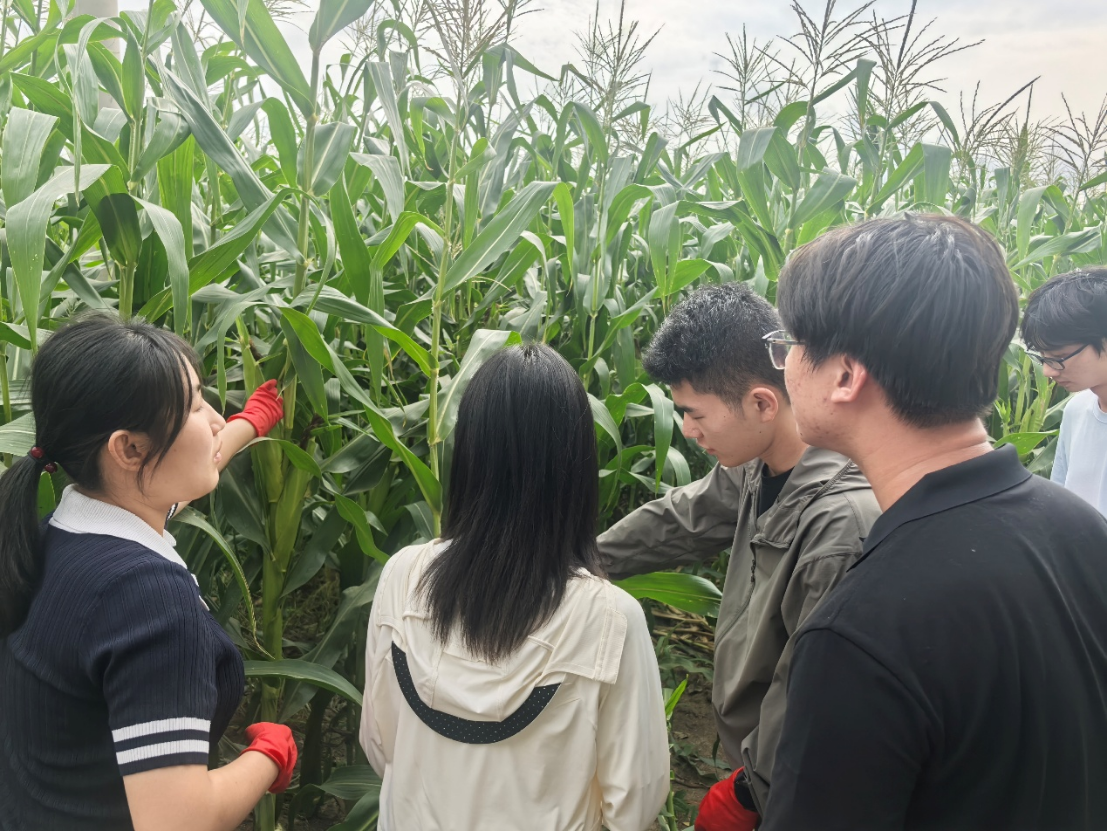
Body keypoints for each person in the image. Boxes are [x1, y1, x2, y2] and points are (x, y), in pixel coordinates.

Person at [762, 216, 1107, 830]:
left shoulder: (859, 636)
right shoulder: (1082, 530)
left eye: (790, 344)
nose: (783, 364)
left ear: (845, 375)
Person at [596, 283, 880, 829]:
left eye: (695, 414)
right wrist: (581, 560)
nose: (687, 430)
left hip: (790, 788)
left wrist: (749, 794)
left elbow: (813, 695)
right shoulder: (758, 463)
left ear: (762, 403)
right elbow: (682, 518)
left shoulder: (839, 526)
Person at [0, 314, 296, 831]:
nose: (216, 421)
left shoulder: (54, 532)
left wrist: (251, 421)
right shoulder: (149, 599)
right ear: (129, 448)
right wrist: (267, 757)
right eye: (196, 405)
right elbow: (179, 821)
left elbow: (182, 478)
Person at [359, 344, 669, 831]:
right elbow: (633, 804)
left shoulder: (403, 577)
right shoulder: (612, 620)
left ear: (469, 454)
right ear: (576, 467)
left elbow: (381, 745)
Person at [1021, 266, 1107, 516]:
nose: (1048, 371)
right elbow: (1062, 506)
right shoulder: (1076, 410)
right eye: (1043, 357)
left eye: (1059, 357)